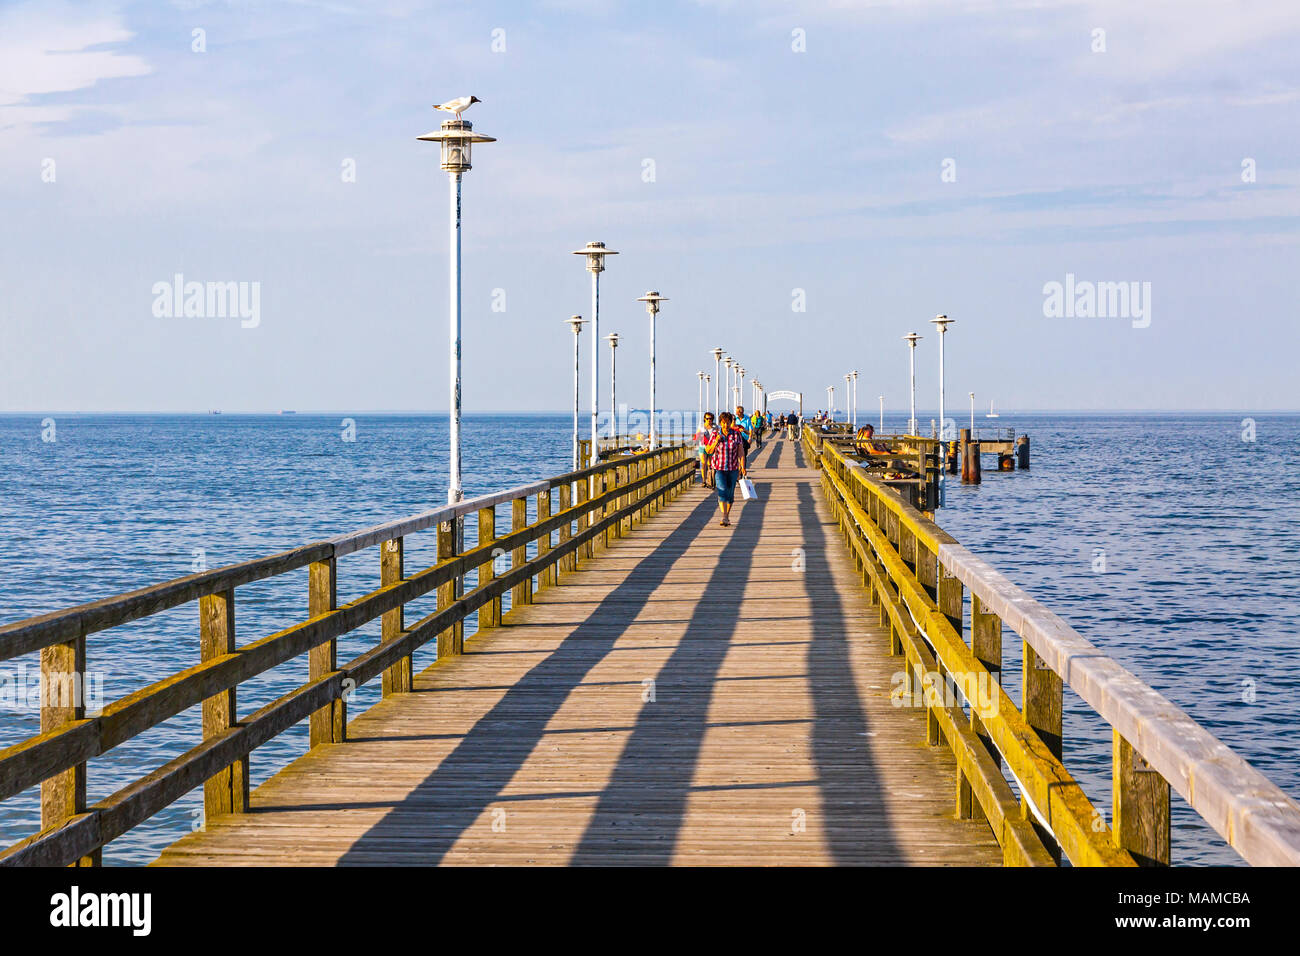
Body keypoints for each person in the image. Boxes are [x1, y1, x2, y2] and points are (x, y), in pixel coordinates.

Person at [704, 411, 747, 527]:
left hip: (733, 469)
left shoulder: (736, 435)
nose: (725, 425)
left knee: (730, 494)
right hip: (719, 468)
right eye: (723, 423)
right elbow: (708, 450)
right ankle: (724, 516)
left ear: (731, 423)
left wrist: (743, 467)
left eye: (728, 423)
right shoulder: (715, 434)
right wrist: (716, 441)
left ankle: (726, 515)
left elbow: (741, 453)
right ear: (720, 423)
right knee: (722, 490)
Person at [695, 412, 716, 487]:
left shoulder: (715, 427)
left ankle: (710, 479)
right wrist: (700, 436)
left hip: (711, 447)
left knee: (710, 464)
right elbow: (696, 436)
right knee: (703, 463)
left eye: (710, 418)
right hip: (702, 447)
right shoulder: (701, 427)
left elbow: (718, 436)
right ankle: (704, 480)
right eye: (707, 418)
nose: (708, 420)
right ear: (704, 419)